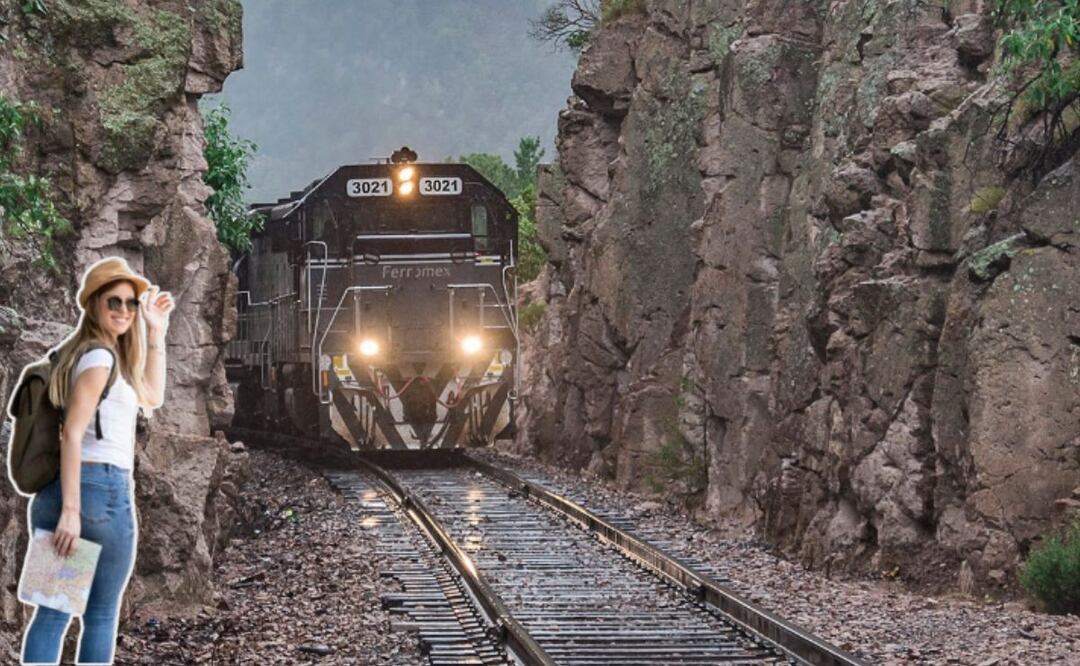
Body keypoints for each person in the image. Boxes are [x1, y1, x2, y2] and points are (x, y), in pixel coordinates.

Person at [20, 257, 174, 665]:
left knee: (52, 614)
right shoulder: (100, 359)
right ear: (93, 305)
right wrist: (72, 512)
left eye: (130, 303)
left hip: (65, 492)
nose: (124, 311)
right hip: (98, 494)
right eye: (114, 302)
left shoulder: (88, 355)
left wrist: (156, 333)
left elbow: (153, 397)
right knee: (100, 615)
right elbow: (72, 432)